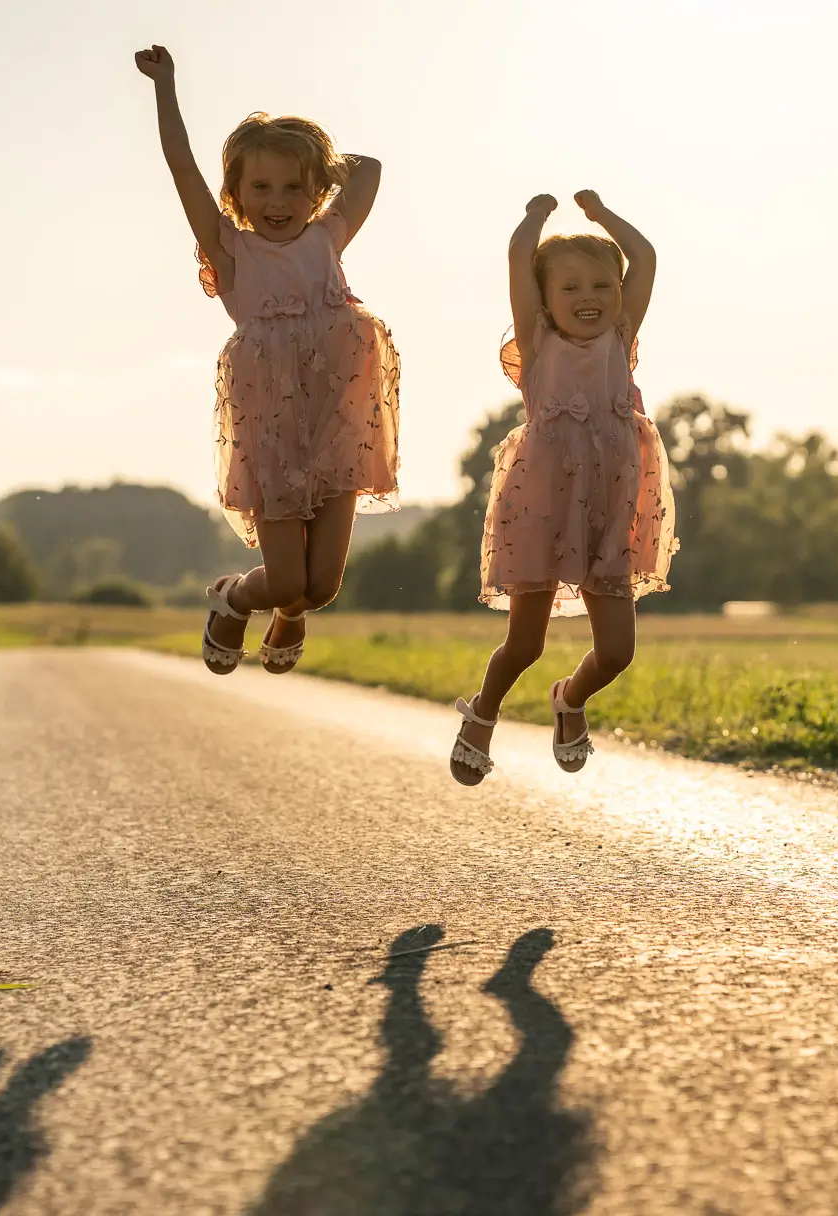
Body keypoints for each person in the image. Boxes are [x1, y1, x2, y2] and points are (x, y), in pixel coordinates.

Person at [136, 42, 400, 675]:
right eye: (260, 186)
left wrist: (315, 161)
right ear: (235, 192)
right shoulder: (229, 250)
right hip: (273, 430)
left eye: (293, 187)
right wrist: (165, 87)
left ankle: (291, 616)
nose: (277, 200)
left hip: (339, 424)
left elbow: (369, 168)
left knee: (321, 587)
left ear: (316, 193)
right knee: (285, 579)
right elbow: (181, 166)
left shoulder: (326, 236)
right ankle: (233, 598)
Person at [449, 192, 676, 785]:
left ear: (618, 295)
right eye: (569, 287)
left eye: (601, 285)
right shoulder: (538, 343)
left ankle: (569, 699)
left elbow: (645, 257)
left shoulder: (620, 339)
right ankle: (483, 712)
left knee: (618, 652)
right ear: (545, 301)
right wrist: (535, 217)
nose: (587, 297)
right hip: (542, 507)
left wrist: (601, 215)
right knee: (524, 644)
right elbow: (518, 257)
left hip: (610, 510)